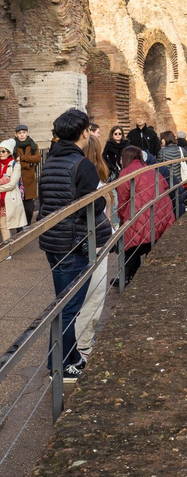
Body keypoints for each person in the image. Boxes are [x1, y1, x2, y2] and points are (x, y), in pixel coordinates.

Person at [34, 109, 105, 380]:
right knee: (69, 308)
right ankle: (61, 365)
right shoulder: (82, 164)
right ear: (84, 132)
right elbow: (92, 204)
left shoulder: (51, 161)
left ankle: (72, 355)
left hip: (52, 241)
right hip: (74, 243)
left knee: (63, 302)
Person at [113, 146, 174, 283]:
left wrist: (123, 218)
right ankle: (148, 275)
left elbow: (123, 199)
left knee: (130, 243)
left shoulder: (126, 172)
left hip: (141, 213)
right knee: (149, 241)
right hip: (162, 211)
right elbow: (165, 185)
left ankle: (127, 276)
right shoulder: (150, 169)